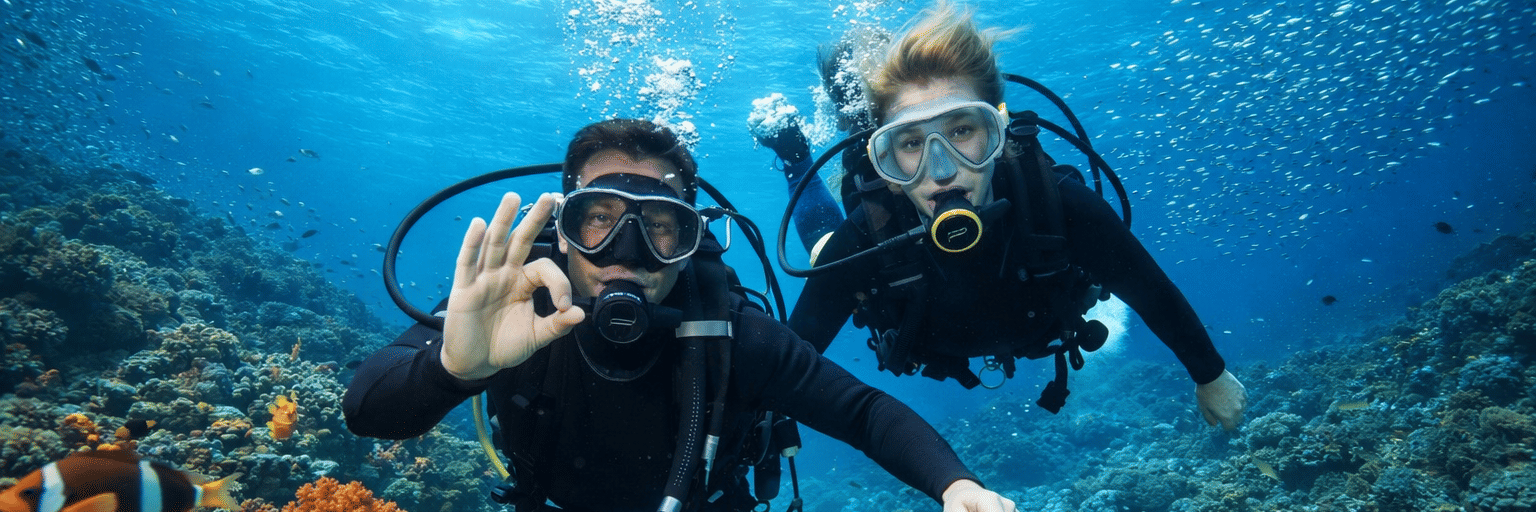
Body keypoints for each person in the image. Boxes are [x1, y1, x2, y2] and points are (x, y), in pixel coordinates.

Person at [343, 119, 1016, 512]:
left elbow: (864, 413)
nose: (625, 254)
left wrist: (955, 486)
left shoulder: (729, 332)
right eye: (598, 220)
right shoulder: (510, 304)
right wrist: (454, 368)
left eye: (660, 226)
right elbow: (367, 411)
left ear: (692, 238)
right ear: (565, 227)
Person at [785, 1, 1249, 430]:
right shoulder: (869, 235)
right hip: (907, 297)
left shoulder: (1055, 205)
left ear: (999, 133)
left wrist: (1210, 374)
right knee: (826, 247)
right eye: (910, 144)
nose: (943, 171)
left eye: (962, 130)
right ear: (888, 165)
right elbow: (790, 360)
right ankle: (793, 156)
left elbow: (1150, 290)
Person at [750, 27, 893, 261]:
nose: (838, 124)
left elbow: (829, 254)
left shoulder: (859, 154)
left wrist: (796, 164)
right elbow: (829, 252)